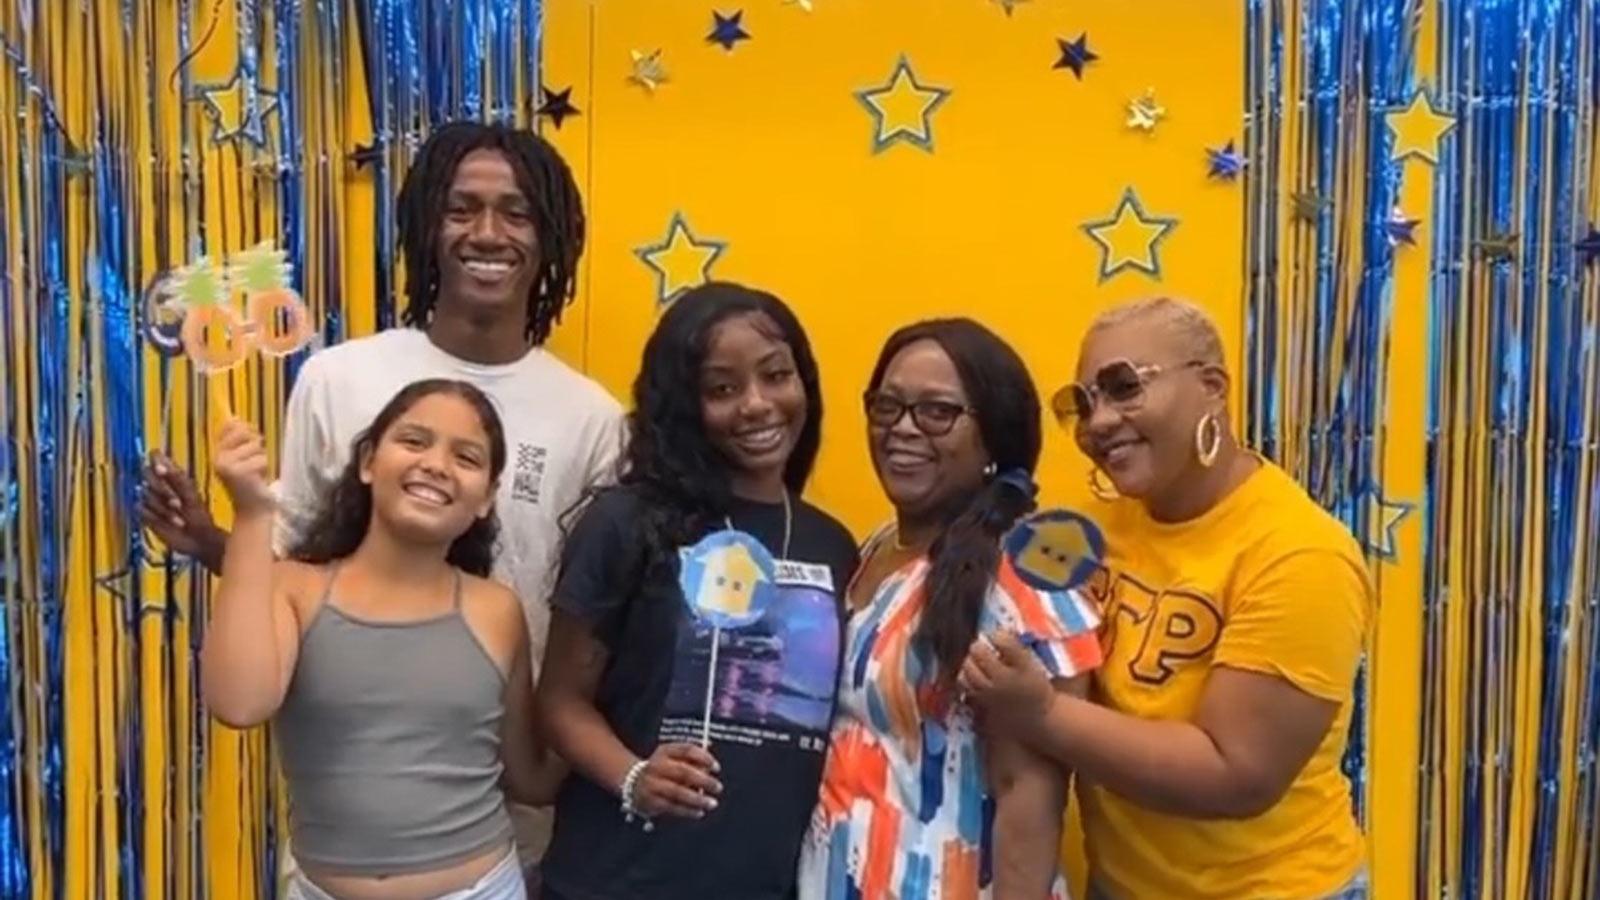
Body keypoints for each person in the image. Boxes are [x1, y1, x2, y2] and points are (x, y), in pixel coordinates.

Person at [139, 121, 624, 874]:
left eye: (517, 212)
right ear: (426, 225)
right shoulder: (340, 379)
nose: (486, 232)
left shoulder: (591, 417)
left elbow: (590, 616)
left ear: (551, 236)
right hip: (349, 793)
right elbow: (293, 576)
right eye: (461, 208)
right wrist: (222, 541)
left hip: (506, 808)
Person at [959, 297, 1373, 899]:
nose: (1098, 422)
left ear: (1211, 387)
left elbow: (1236, 776)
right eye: (1084, 401)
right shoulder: (1096, 532)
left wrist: (1042, 712)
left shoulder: (1301, 556)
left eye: (1124, 387)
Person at [536, 282, 858, 900]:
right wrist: (633, 777)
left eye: (776, 375)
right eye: (722, 389)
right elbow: (559, 701)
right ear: (685, 406)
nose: (758, 404)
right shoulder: (625, 522)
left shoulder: (833, 546)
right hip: (615, 881)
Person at [203, 378, 557, 900]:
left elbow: (529, 777)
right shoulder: (294, 588)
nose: (436, 464)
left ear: (486, 498)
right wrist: (253, 514)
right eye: (414, 441)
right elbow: (238, 702)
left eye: (466, 457)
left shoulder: (497, 610)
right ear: (368, 461)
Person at [797, 318, 1103, 900]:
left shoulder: (1020, 577)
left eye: (937, 412)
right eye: (887, 406)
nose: (902, 429)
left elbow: (1026, 798)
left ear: (994, 437)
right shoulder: (876, 549)